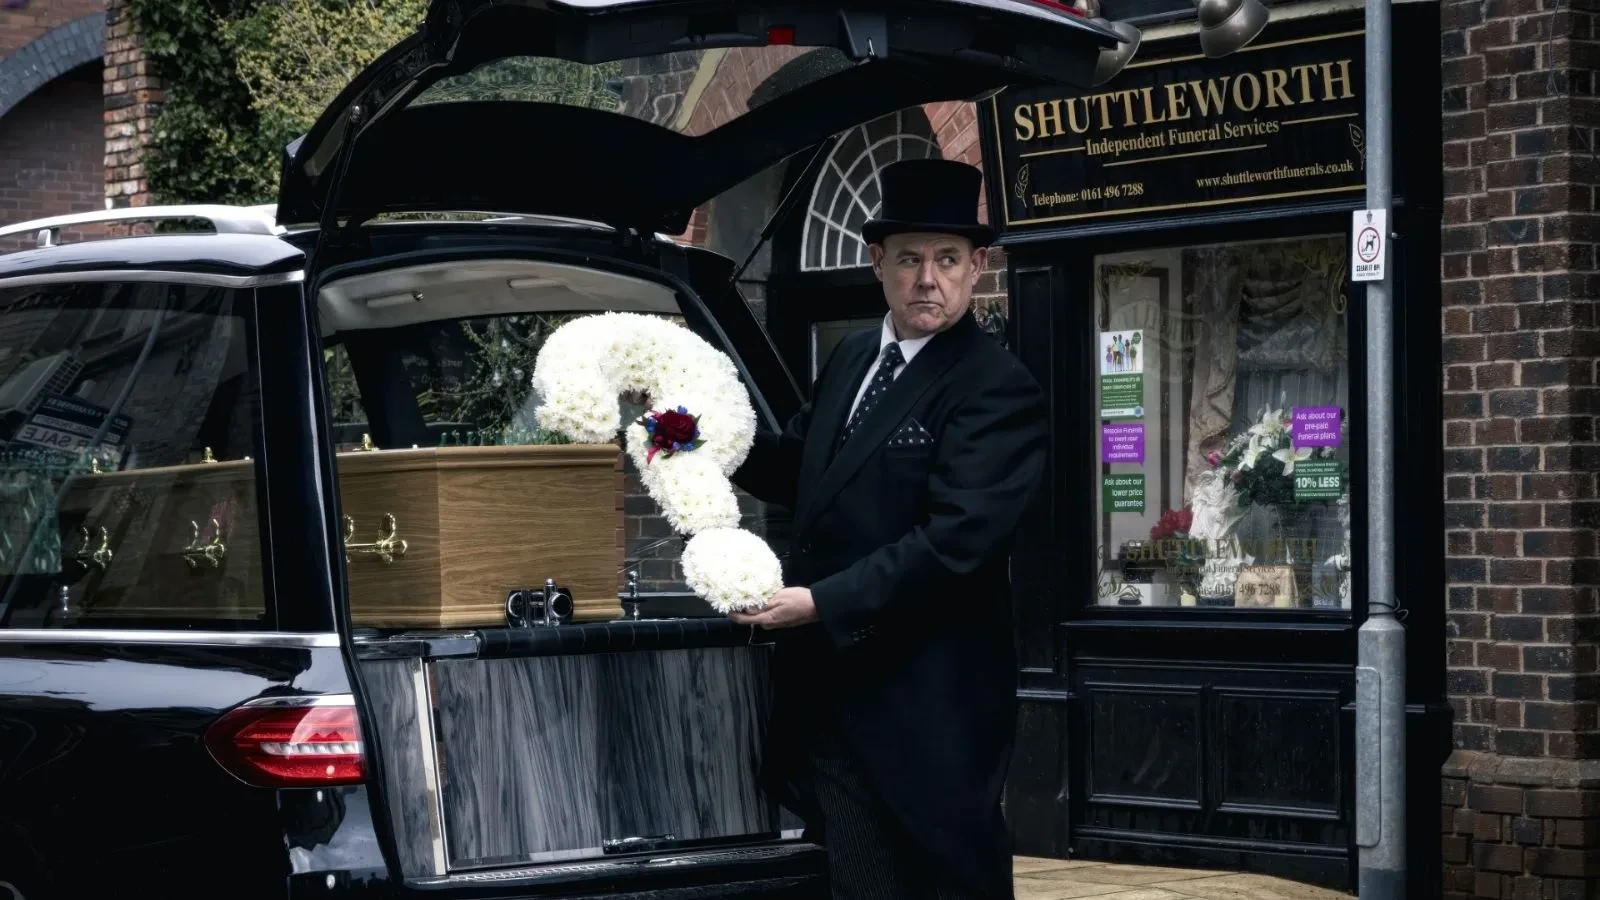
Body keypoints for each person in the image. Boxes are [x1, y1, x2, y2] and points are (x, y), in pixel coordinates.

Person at [730, 158, 1048, 899]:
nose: (927, 279)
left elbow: (952, 543)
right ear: (878, 264)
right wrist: (694, 433)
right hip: (832, 698)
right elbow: (798, 468)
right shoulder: (850, 360)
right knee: (854, 881)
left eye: (946, 260)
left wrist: (819, 603)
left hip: (928, 710)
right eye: (909, 259)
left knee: (941, 882)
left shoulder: (997, 387)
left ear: (978, 268)